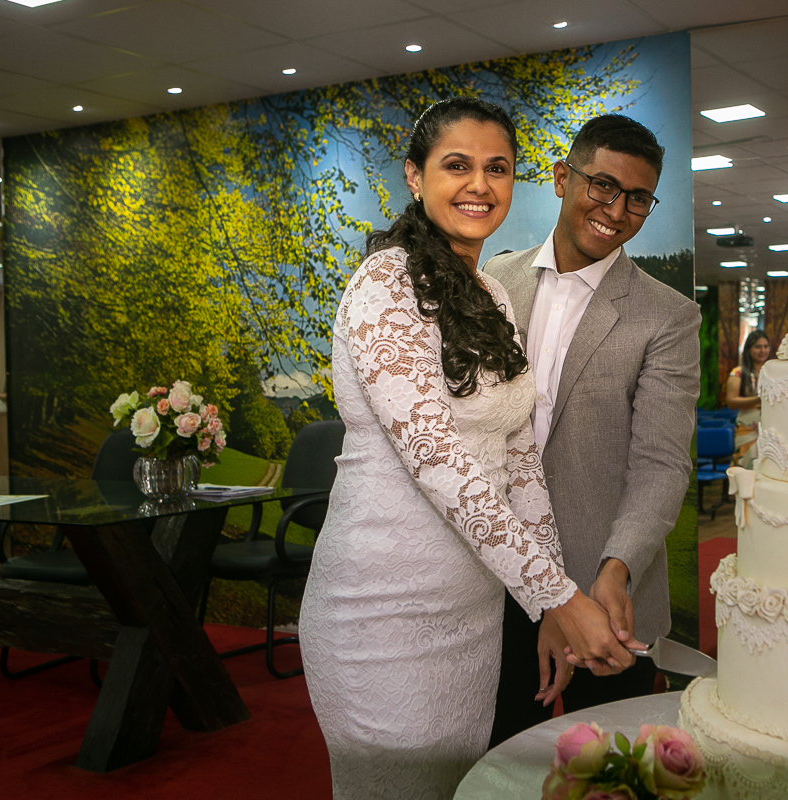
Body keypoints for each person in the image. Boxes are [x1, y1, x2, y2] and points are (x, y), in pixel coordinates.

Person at [296, 98, 632, 800]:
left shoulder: (491, 296)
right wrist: (557, 595)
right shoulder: (384, 284)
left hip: (470, 615)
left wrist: (541, 605)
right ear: (415, 177)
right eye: (457, 166)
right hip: (381, 610)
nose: (479, 184)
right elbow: (435, 458)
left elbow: (519, 458)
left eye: (497, 168)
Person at [484, 114, 701, 745]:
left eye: (638, 198)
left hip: (609, 597)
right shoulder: (494, 281)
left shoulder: (667, 316)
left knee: (611, 771)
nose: (617, 209)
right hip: (501, 585)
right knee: (501, 760)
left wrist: (617, 567)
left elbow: (661, 464)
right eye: (602, 186)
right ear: (561, 178)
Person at [726, 329, 771, 468]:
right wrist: (759, 400)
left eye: (765, 346)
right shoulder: (738, 372)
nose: (762, 350)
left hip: (769, 426)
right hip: (747, 426)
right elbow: (731, 401)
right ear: (749, 349)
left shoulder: (773, 372)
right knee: (745, 466)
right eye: (757, 347)